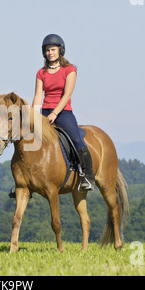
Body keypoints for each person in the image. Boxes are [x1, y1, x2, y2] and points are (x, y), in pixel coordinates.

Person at [32, 34, 95, 192]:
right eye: (47, 50)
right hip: (45, 112)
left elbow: (67, 95)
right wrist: (32, 116)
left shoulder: (69, 70)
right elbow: (38, 96)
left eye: (53, 49)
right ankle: (27, 178)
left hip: (63, 112)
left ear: (61, 50)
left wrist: (54, 113)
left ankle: (87, 175)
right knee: (29, 139)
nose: (50, 53)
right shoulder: (41, 73)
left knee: (76, 138)